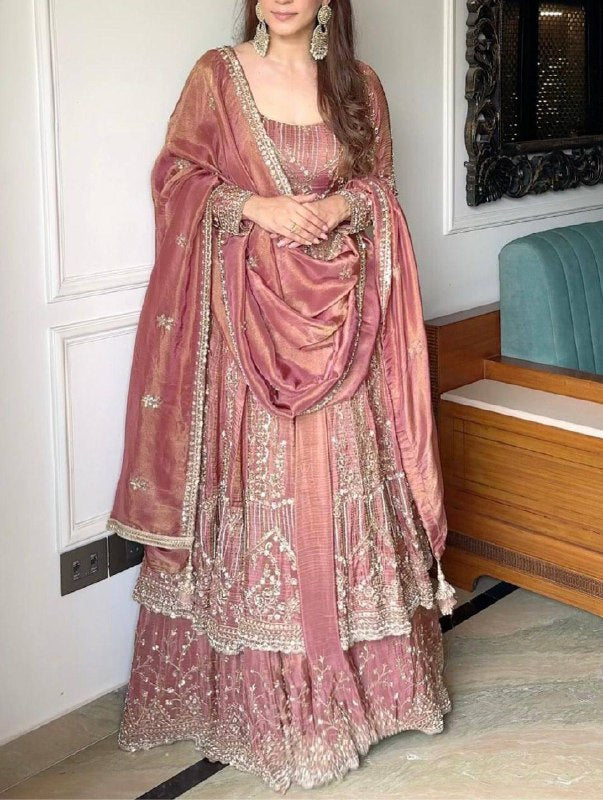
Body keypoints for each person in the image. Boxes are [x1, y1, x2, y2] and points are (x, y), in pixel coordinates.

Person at [106, 0, 458, 793]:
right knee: (266, 506)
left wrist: (341, 205)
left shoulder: (360, 86)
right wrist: (253, 205)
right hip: (249, 333)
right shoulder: (217, 76)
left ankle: (366, 700)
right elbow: (176, 178)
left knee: (341, 496)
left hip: (344, 329)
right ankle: (262, 711)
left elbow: (379, 189)